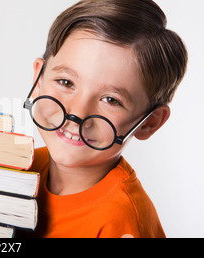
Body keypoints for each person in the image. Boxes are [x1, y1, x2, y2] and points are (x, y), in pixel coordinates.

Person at [20, 0, 187, 238]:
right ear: (38, 78)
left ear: (150, 122)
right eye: (66, 83)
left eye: (111, 100)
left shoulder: (119, 222)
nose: (77, 113)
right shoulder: (25, 167)